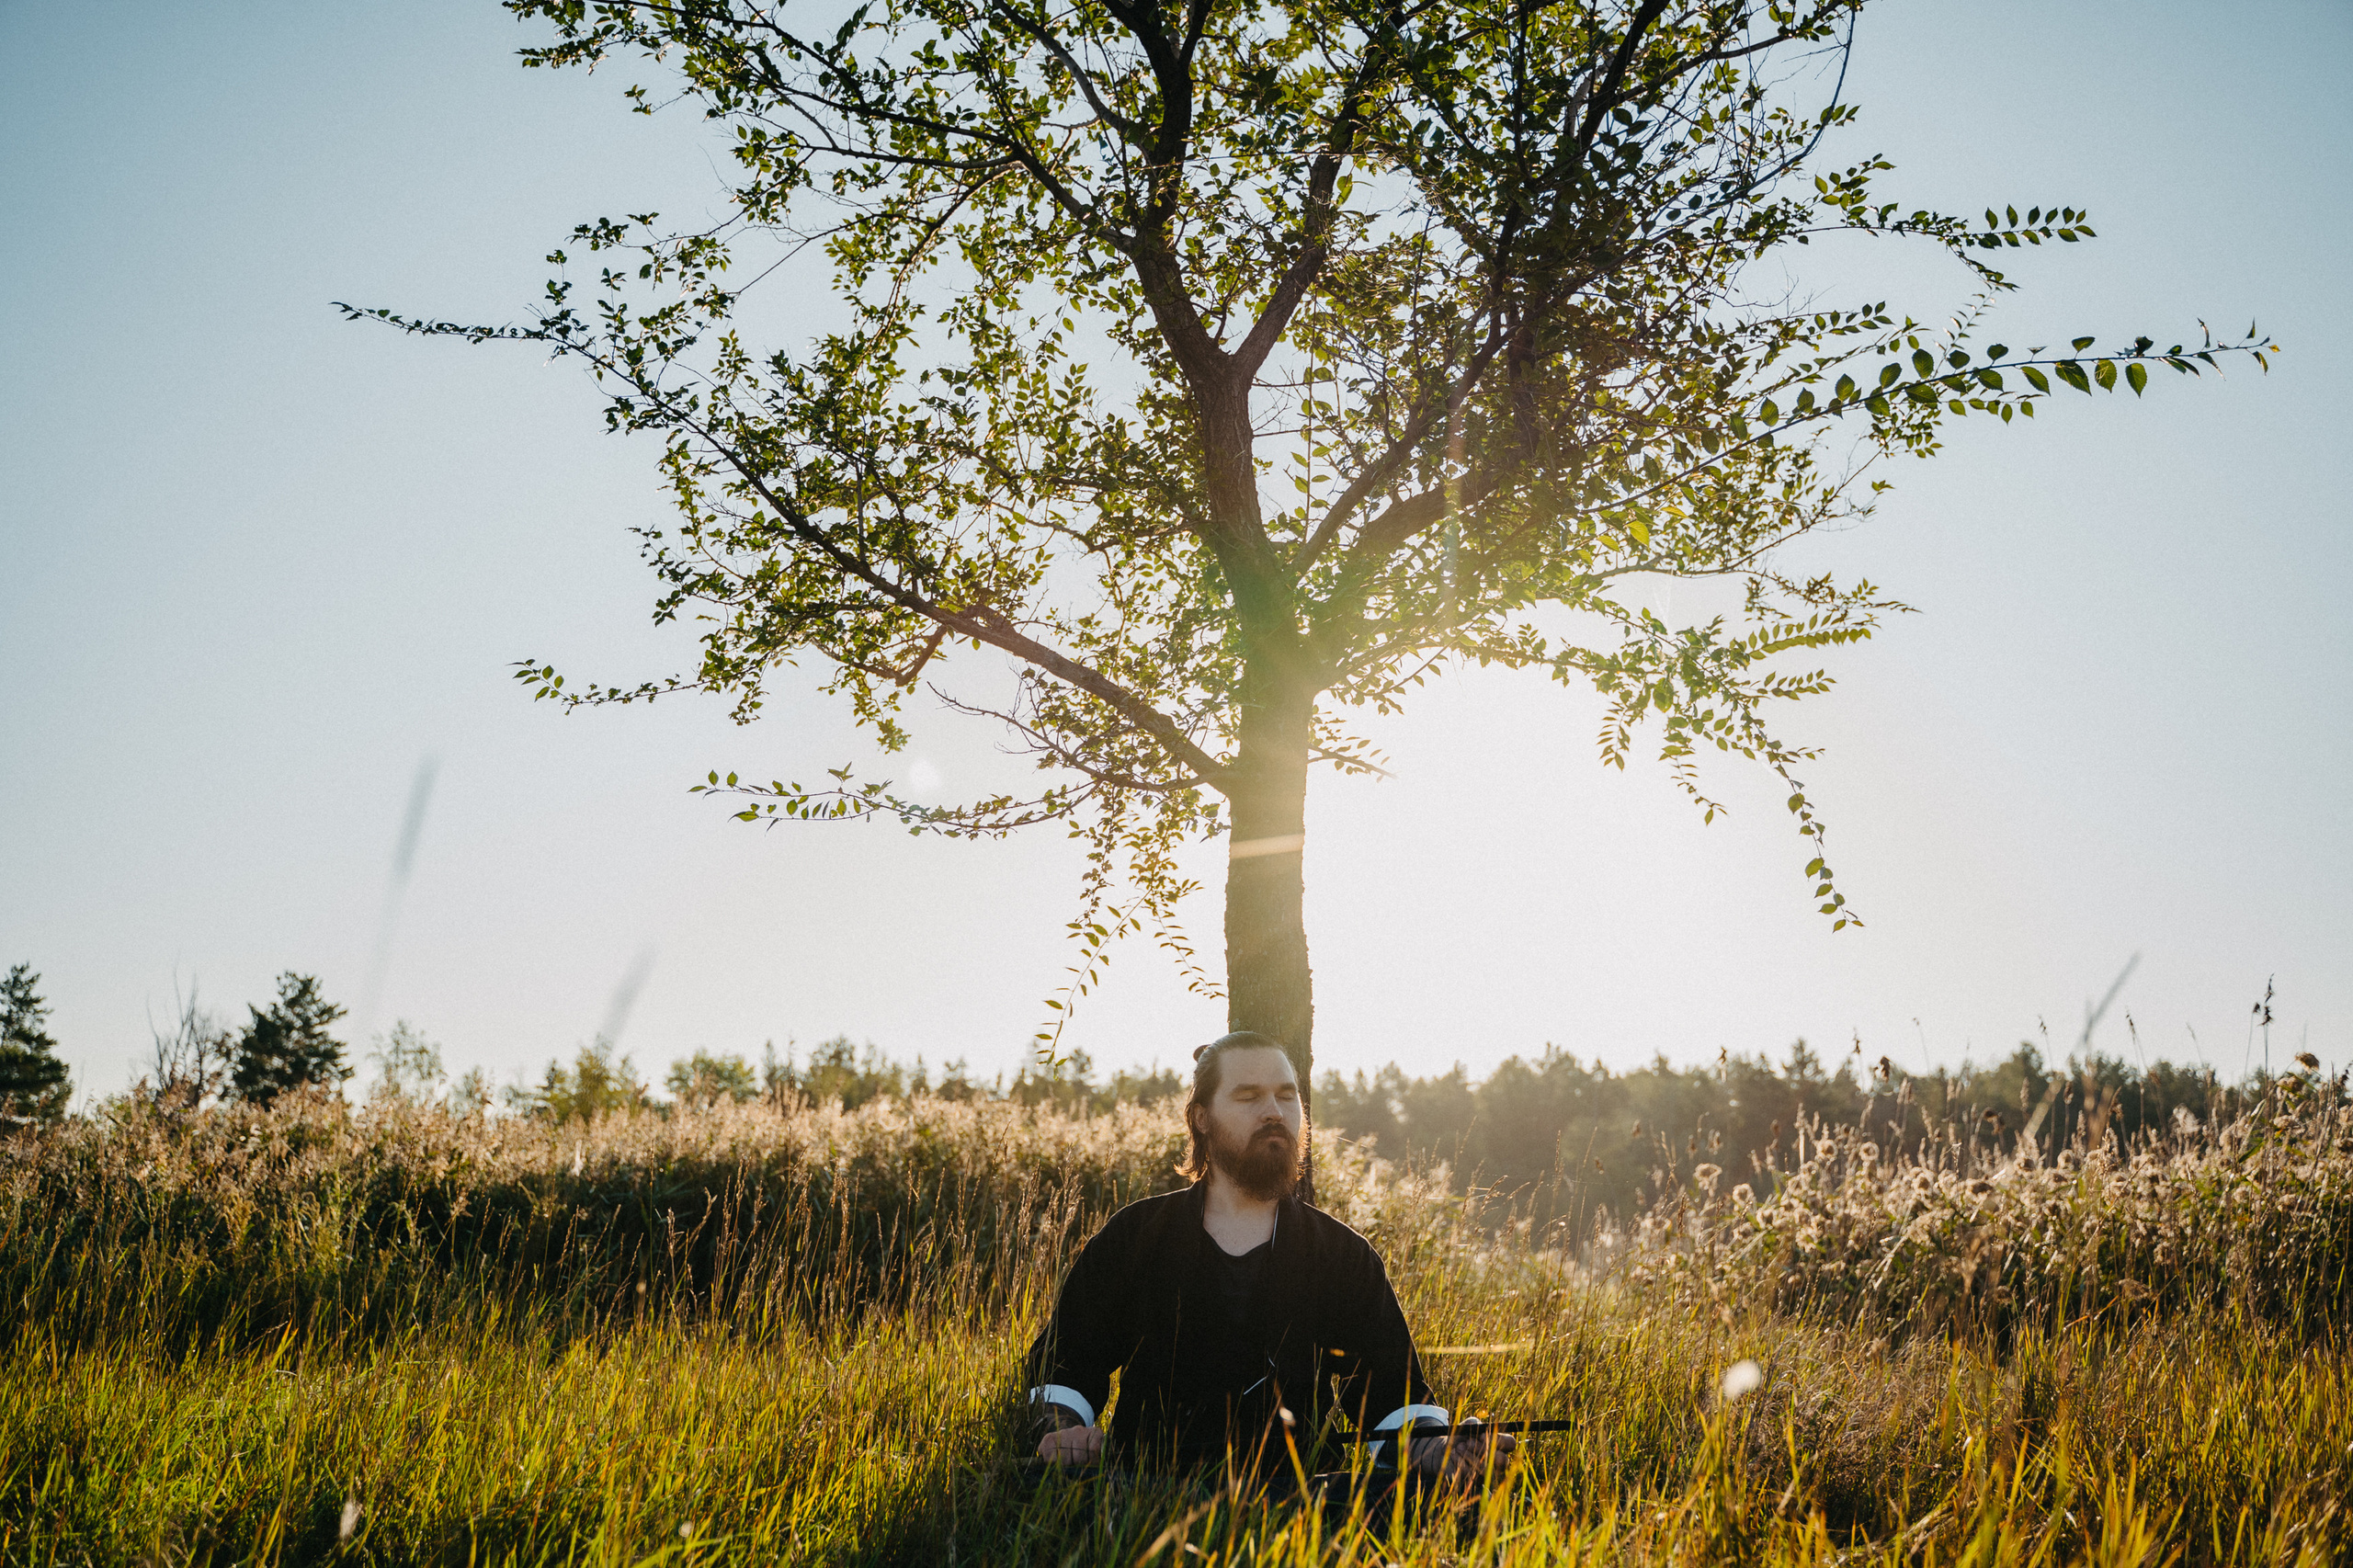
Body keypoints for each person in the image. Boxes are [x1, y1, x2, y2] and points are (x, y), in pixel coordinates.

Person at [1021, 1031, 1510, 1510]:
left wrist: (1439, 1451)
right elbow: (1066, 1363)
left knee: (1460, 1497)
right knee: (1051, 1488)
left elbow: (1390, 1391)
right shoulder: (1137, 1235)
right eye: (1249, 1096)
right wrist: (1063, 1434)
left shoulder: (1341, 1255)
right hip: (1148, 1488)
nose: (1274, 1111)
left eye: (1286, 1095)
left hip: (1304, 1494)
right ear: (1202, 1119)